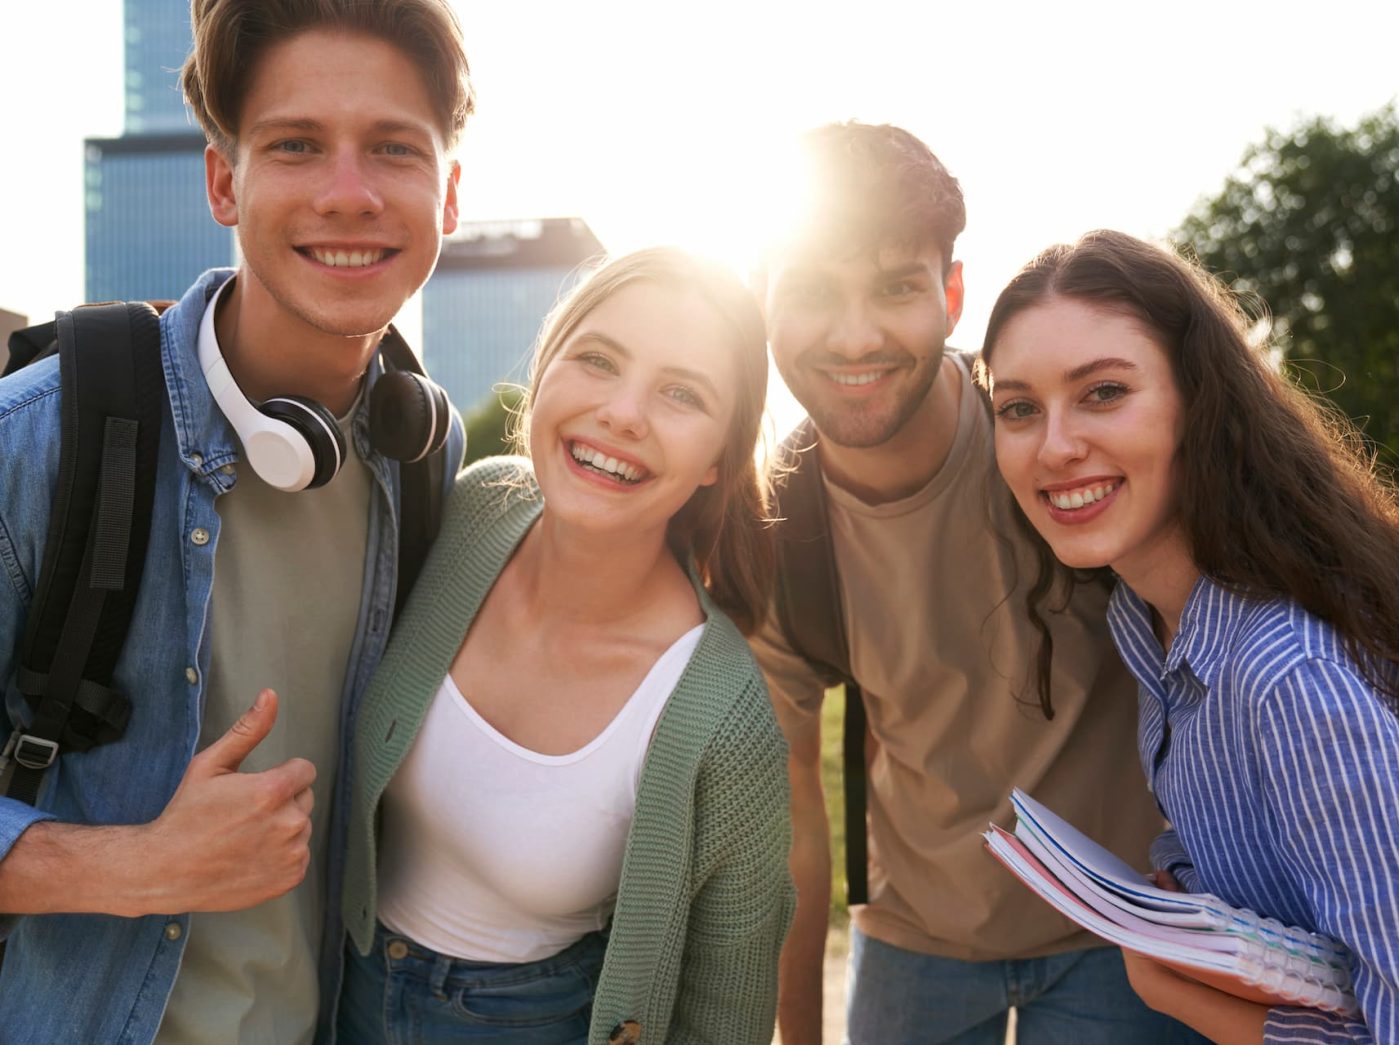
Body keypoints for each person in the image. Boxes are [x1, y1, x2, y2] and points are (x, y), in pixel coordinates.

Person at [0, 0, 472, 1040]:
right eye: (296, 146)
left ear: (446, 191)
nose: (348, 196)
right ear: (224, 179)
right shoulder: (34, 443)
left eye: (392, 150)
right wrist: (134, 865)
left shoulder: (433, 471)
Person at [981, 229, 1399, 1043]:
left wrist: (1192, 999)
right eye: (1017, 408)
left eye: (1104, 391)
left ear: (1199, 402)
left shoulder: (1285, 677)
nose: (1055, 445)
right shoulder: (1156, 629)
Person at [752, 122, 1201, 1044]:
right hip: (914, 938)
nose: (855, 333)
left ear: (953, 293)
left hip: (1119, 930)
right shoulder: (771, 528)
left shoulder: (1049, 444)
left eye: (896, 286)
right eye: (811, 290)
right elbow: (787, 819)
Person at [336, 247, 793, 1045]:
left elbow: (727, 1015)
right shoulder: (472, 512)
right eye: (597, 360)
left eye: (682, 392)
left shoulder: (724, 719)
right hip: (341, 988)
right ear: (545, 370)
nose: (623, 413)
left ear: (720, 455)